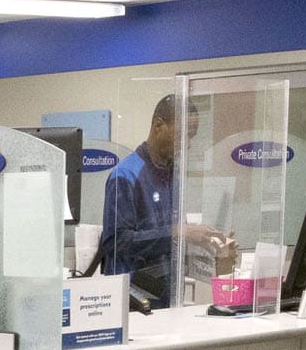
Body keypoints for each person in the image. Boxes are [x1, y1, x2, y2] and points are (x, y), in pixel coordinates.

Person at [94, 97, 233, 308]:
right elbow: (117, 242)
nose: (188, 144)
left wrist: (209, 246)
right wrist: (179, 233)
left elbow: (172, 240)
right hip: (134, 305)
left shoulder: (173, 175)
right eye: (183, 135)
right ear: (159, 125)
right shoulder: (126, 175)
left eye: (191, 137)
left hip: (169, 299)